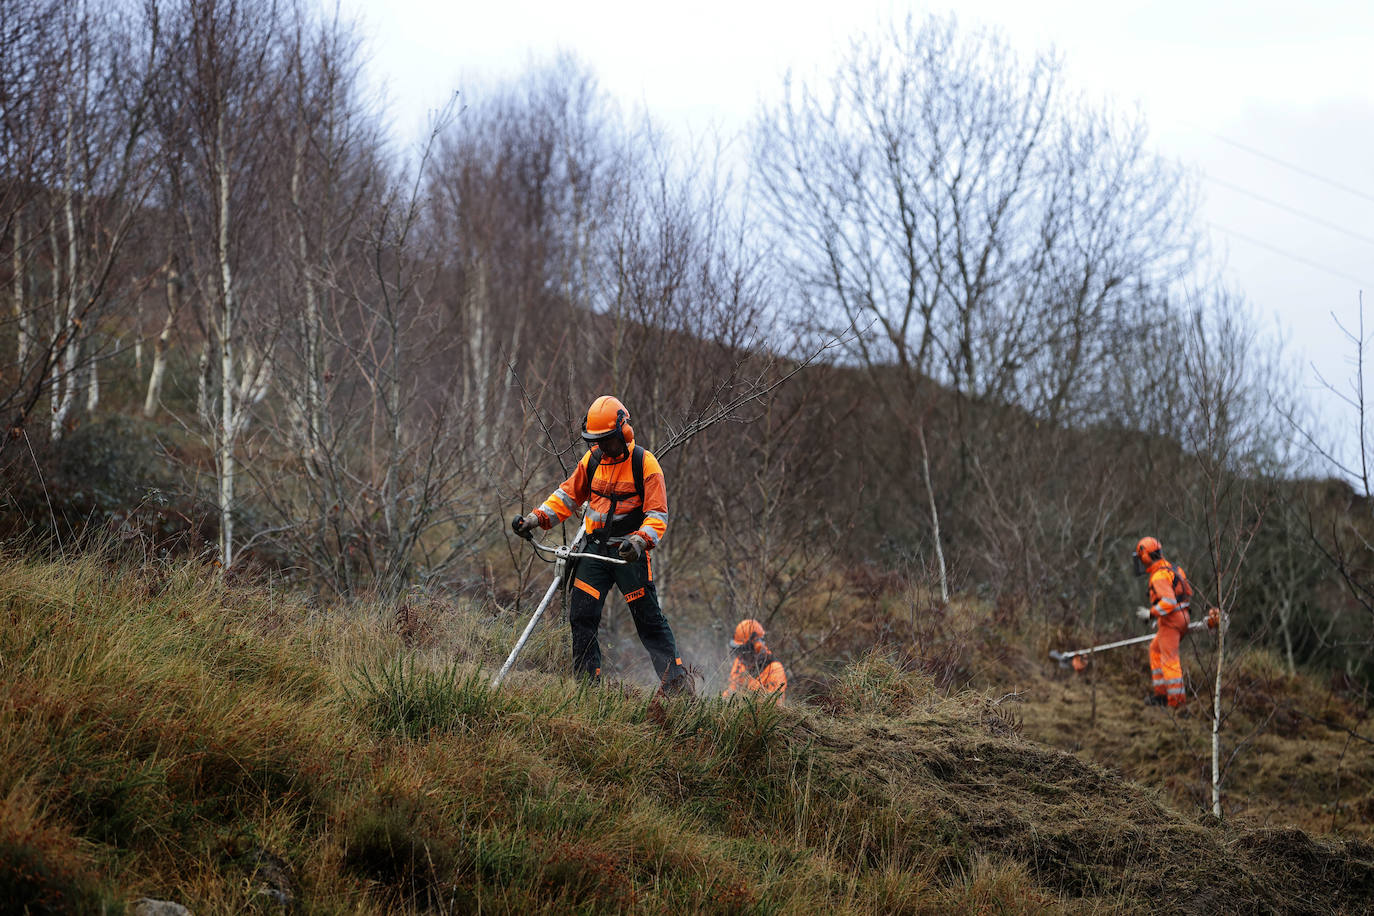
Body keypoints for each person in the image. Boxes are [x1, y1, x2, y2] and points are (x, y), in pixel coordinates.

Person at [513, 396, 690, 693]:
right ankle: (587, 689)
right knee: (582, 617)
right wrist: (536, 518)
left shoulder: (645, 465)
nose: (601, 447)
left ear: (624, 433)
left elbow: (657, 516)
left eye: (606, 440)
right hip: (593, 551)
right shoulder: (592, 460)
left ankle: (676, 690)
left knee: (649, 623)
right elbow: (568, 496)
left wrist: (639, 540)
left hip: (628, 555)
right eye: (595, 441)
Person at [1132, 536, 1193, 708]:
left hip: (1172, 621)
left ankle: (1176, 702)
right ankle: (1161, 694)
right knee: (1155, 649)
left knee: (1170, 660)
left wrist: (1150, 614)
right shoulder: (1173, 569)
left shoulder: (1158, 576)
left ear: (1145, 557)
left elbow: (1169, 602)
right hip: (1180, 616)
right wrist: (1159, 617)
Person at [721, 618, 787, 705]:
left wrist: (749, 683)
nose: (740, 656)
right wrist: (722, 702)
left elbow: (776, 703)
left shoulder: (775, 669)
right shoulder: (740, 663)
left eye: (744, 650)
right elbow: (732, 689)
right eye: (738, 650)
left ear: (757, 647)